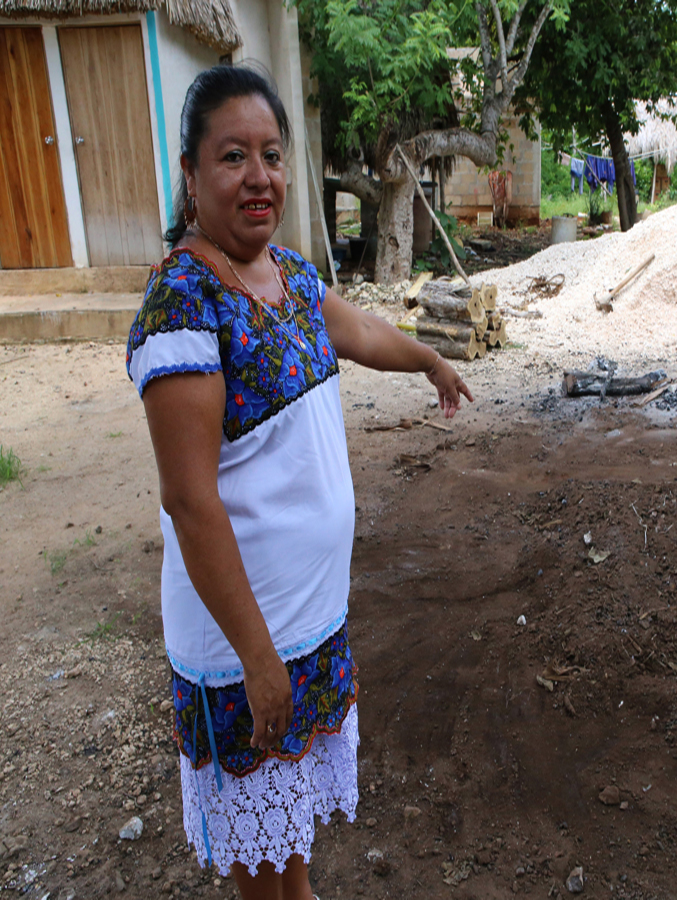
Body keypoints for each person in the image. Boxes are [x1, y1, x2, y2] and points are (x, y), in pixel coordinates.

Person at [125, 64, 472, 899]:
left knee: (287, 855)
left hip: (307, 623)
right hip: (247, 642)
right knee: (260, 873)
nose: (259, 177)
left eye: (272, 155)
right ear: (192, 174)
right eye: (233, 156)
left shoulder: (284, 272)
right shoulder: (184, 302)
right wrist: (256, 656)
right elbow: (189, 499)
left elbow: (350, 326)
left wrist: (427, 358)